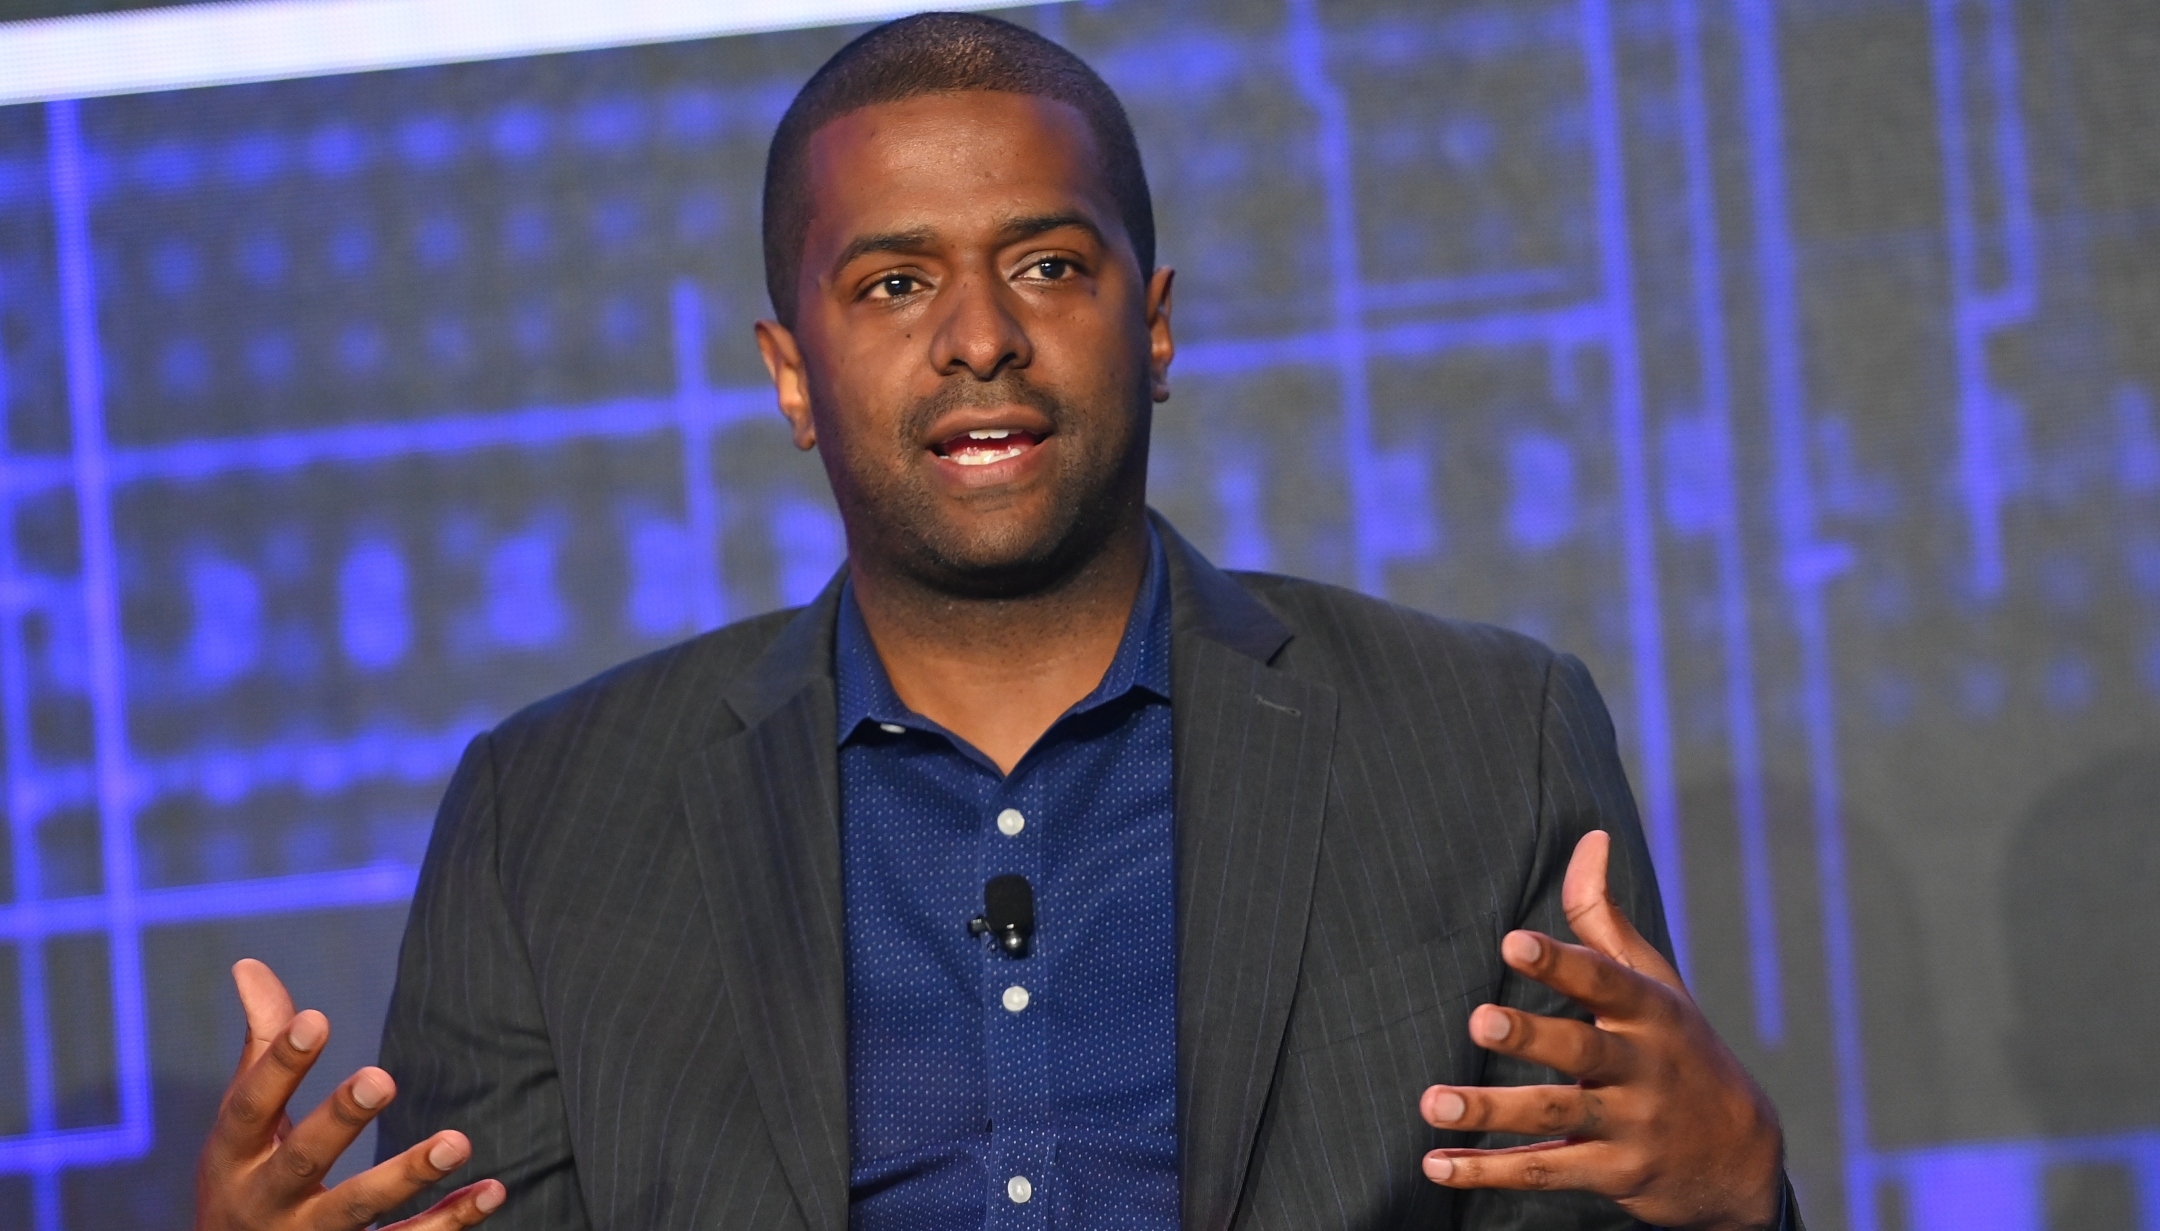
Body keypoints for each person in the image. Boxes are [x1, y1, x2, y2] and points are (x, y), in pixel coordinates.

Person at [191, 12, 1797, 1231]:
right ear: (790, 373)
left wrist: (1738, 1206)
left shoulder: (1478, 740)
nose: (979, 340)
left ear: (1151, 326)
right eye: (893, 284)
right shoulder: (552, 814)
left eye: (1045, 265)